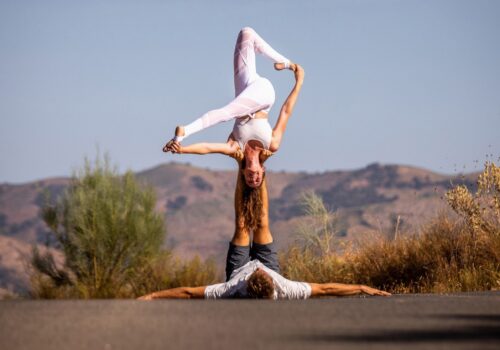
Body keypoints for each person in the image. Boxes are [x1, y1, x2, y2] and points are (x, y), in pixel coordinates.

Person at [138, 171, 391, 300]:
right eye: (263, 275)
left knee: (241, 224)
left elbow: (188, 293)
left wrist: (152, 295)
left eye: (257, 274)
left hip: (237, 268)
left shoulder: (231, 288)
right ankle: (262, 171)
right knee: (262, 221)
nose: (258, 269)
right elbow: (325, 289)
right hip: (274, 264)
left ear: (248, 284)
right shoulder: (285, 288)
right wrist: (361, 287)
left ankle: (242, 168)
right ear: (271, 284)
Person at [163, 27, 304, 189]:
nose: (254, 178)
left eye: (250, 180)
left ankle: (287, 64)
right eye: (258, 179)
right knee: (228, 112)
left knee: (246, 34)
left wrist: (182, 150)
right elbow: (286, 111)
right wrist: (299, 82)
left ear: (243, 173)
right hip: (264, 95)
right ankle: (185, 130)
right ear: (263, 170)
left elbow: (208, 148)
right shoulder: (272, 145)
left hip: (245, 91)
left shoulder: (235, 147)